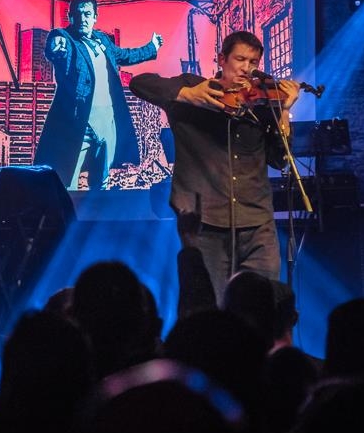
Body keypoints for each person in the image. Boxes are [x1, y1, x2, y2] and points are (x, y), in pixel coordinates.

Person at [129, 31, 300, 318]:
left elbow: (279, 160)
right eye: (240, 59)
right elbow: (139, 83)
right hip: (205, 223)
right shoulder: (193, 89)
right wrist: (187, 94)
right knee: (210, 312)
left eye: (253, 62)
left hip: (257, 224)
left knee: (264, 310)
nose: (247, 68)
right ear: (222, 59)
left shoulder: (260, 106)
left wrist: (282, 113)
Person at [33, 0, 164, 190]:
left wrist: (152, 47)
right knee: (68, 181)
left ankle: (96, 209)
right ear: (70, 17)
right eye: (78, 14)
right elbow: (56, 44)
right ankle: (67, 211)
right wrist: (55, 46)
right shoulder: (66, 38)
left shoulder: (102, 40)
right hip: (80, 124)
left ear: (95, 17)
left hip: (107, 123)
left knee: (101, 183)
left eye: (87, 14)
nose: (82, 19)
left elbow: (126, 56)